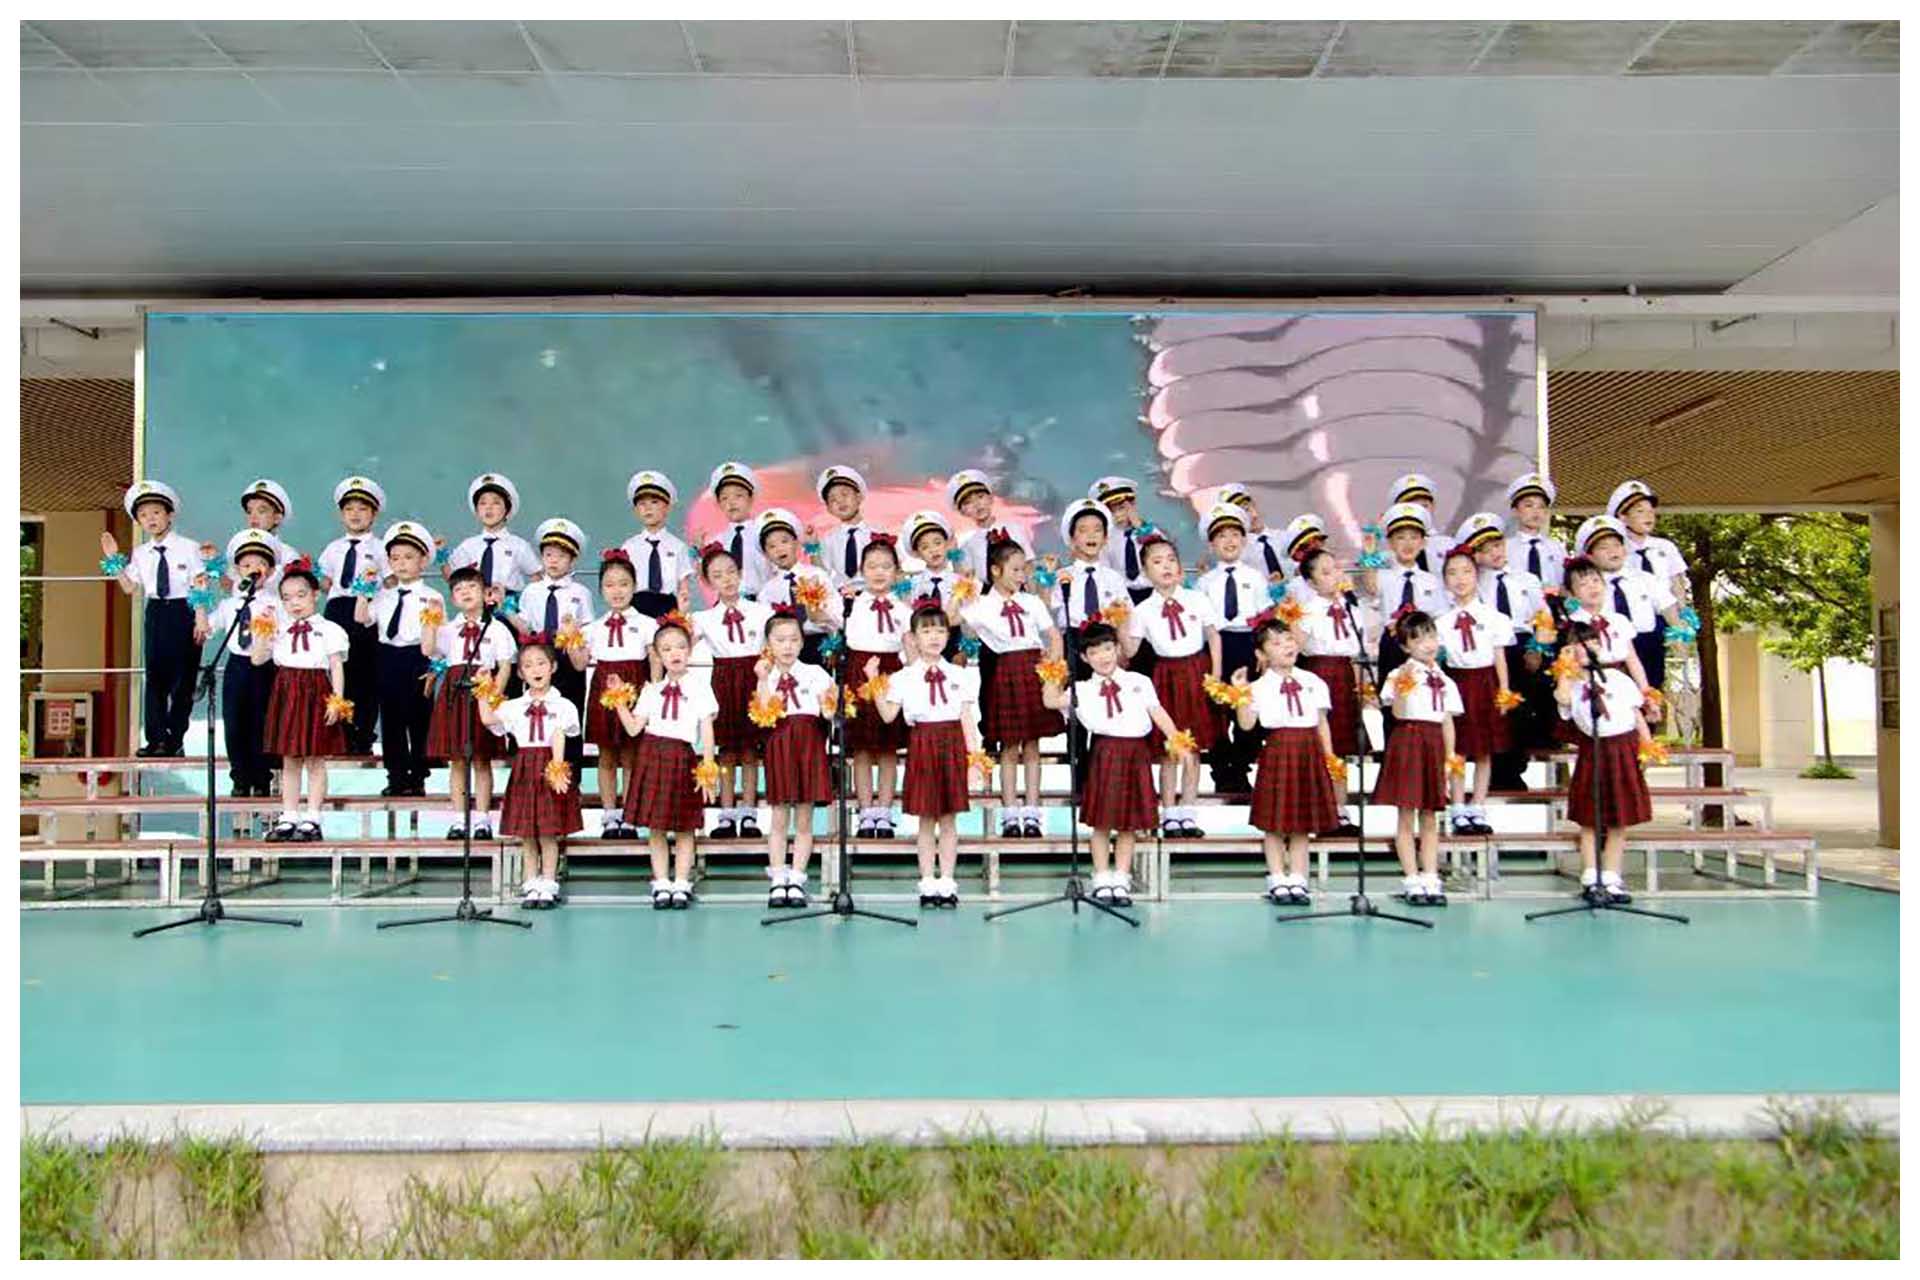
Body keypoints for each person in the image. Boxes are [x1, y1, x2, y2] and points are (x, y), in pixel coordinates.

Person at [1040, 620, 1188, 906]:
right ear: (1085, 658)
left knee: (1128, 824)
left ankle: (1121, 879)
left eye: (1107, 649)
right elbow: (1050, 701)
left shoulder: (1139, 682)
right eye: (1094, 652)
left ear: (1118, 649)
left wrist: (1177, 741)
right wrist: (1053, 672)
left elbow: (1158, 712)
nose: (1103, 657)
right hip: (1104, 752)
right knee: (1101, 822)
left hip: (1136, 753)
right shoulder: (1081, 689)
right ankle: (1101, 878)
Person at [868, 603, 986, 908]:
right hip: (922, 742)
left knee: (949, 820)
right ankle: (927, 882)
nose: (934, 637)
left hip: (952, 743)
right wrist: (874, 680)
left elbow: (967, 719)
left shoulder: (960, 674)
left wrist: (974, 761)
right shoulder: (903, 677)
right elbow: (887, 715)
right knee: (925, 819)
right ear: (913, 638)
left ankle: (947, 881)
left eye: (940, 631)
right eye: (927, 631)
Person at [606, 614, 719, 910]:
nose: (674, 653)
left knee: (684, 826)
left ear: (690, 650)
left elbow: (707, 730)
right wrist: (618, 700)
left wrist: (708, 769)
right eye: (666, 649)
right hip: (651, 756)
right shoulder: (650, 691)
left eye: (680, 647)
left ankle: (681, 882)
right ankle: (661, 882)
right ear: (656, 655)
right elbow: (634, 729)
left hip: (682, 756)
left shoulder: (700, 687)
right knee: (655, 826)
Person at [960, 535, 1065, 839]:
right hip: (1005, 669)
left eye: (1024, 570)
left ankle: (1032, 812)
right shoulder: (982, 604)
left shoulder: (1031, 601)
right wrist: (963, 591)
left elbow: (1053, 635)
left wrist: (1053, 668)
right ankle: (1009, 814)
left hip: (1034, 668)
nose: (1022, 576)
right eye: (1016, 570)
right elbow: (959, 622)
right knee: (1009, 745)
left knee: (1032, 745)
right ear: (995, 570)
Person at [1120, 533, 1220, 837]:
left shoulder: (1197, 599)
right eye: (1157, 561)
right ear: (1145, 571)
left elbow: (1213, 635)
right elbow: (1131, 651)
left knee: (1193, 746)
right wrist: (1120, 623)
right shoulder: (1142, 610)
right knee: (1168, 748)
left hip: (1196, 671)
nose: (1166, 566)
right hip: (1166, 675)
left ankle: (1188, 813)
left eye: (1171, 560)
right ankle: (1169, 814)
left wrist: (1215, 674)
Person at [1237, 615, 1341, 906]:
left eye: (1289, 640)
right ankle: (1277, 878)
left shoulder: (1313, 681)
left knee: (1301, 821)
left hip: (1308, 749)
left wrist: (1329, 756)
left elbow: (1321, 722)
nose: (1286, 646)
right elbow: (1246, 724)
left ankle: (1298, 877)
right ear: (1261, 654)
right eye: (1276, 643)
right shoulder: (1258, 687)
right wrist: (1241, 694)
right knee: (1274, 821)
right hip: (1279, 748)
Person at [1555, 626, 1658, 905]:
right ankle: (1591, 877)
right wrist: (1566, 667)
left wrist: (1647, 746)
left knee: (1619, 818)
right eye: (1580, 643)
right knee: (1589, 817)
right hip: (1594, 748)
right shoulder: (1572, 683)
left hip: (1623, 747)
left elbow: (1636, 714)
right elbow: (1563, 700)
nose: (1587, 647)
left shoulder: (1617, 678)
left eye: (1592, 642)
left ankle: (1612, 878)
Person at [479, 640, 583, 909]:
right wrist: (483, 690)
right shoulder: (514, 705)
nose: (535, 670)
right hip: (524, 767)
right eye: (528, 665)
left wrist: (557, 769)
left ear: (553, 667)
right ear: (520, 673)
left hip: (550, 765)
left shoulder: (564, 705)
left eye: (541, 663)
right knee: (527, 833)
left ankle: (548, 883)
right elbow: (488, 719)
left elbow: (561, 734)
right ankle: (531, 882)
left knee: (548, 831)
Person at [101, 480, 202, 757]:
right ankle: (155, 739)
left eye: (156, 512)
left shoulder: (189, 547)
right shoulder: (141, 553)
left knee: (183, 680)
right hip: (156, 611)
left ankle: (175, 738)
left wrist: (201, 618)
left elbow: (200, 584)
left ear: (170, 514)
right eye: (143, 515)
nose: (151, 519)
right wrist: (114, 559)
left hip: (185, 610)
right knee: (155, 678)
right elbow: (129, 586)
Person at [256, 557, 351, 843]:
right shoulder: (278, 628)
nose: (294, 603)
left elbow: (336, 666)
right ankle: (288, 816)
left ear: (315, 595)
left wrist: (337, 700)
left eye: (301, 595)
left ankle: (312, 817)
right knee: (290, 758)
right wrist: (262, 630)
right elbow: (257, 659)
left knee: (315, 758)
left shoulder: (330, 629)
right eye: (287, 598)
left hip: (316, 690)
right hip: (286, 690)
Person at [1373, 611, 1463, 908]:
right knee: (1405, 814)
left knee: (1429, 814)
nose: (1428, 644)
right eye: (1419, 639)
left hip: (1434, 743)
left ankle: (1431, 876)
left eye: (1431, 636)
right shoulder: (1398, 674)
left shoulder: (1445, 679)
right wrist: (1403, 685)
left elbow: (1447, 720)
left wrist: (1450, 756)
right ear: (1405, 646)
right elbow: (1398, 713)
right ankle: (1411, 878)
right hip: (1409, 739)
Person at [422, 565, 517, 840]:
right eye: (458, 589)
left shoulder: (497, 629)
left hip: (483, 691)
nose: (465, 592)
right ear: (452, 598)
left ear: (486, 594)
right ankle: (459, 819)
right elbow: (428, 649)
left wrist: (494, 695)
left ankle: (483, 819)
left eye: (472, 587)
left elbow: (505, 666)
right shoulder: (448, 628)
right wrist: (431, 619)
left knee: (481, 759)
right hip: (454, 691)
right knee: (457, 760)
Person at [574, 548, 660, 839]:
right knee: (606, 754)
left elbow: (654, 658)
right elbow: (579, 663)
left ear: (634, 586)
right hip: (603, 688)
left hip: (635, 684)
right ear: (601, 590)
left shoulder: (647, 624)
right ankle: (610, 815)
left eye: (624, 583)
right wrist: (571, 637)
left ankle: (632, 814)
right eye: (610, 585)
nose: (617, 591)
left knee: (631, 755)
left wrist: (654, 692)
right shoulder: (593, 628)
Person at [689, 542, 773, 839]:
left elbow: (773, 644)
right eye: (717, 575)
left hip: (753, 677)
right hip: (723, 680)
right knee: (726, 751)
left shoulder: (761, 611)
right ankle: (726, 814)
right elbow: (681, 645)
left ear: (740, 573)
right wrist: (682, 611)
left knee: (750, 750)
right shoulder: (703, 618)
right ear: (708, 582)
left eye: (730, 572)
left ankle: (749, 813)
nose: (726, 579)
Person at [755, 609, 835, 908]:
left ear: (802, 642)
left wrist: (831, 704)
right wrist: (763, 680)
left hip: (809, 744)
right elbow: (763, 716)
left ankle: (798, 877)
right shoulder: (766, 676)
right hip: (779, 744)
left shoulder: (816, 673)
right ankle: (778, 877)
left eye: (793, 639)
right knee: (779, 817)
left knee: (804, 817)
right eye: (780, 640)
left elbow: (829, 713)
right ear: (769, 644)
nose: (787, 646)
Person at [1463, 510, 1548, 791]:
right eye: (1486, 550)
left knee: (1521, 709)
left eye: (1498, 545)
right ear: (1476, 556)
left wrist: (1537, 648)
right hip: (1490, 649)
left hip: (1521, 646)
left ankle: (1515, 768)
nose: (1495, 553)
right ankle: (1497, 770)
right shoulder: (1474, 583)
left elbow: (1543, 617)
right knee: (1495, 710)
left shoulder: (1527, 579)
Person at [1434, 548, 1516, 837]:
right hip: (1456, 683)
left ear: (1477, 576)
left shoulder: (1494, 617)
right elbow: (1437, 661)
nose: (1460, 579)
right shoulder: (1441, 622)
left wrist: (1504, 690)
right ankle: (1457, 806)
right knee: (1456, 746)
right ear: (1445, 580)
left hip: (1486, 682)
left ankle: (1478, 805)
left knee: (1483, 749)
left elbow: (1499, 657)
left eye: (1466, 572)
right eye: (1452, 573)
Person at [359, 520, 444, 798]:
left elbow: (440, 637)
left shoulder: (431, 597)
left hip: (417, 656)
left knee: (419, 718)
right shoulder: (383, 595)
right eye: (395, 558)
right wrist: (364, 590)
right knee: (391, 718)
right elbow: (362, 617)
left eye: (408, 557)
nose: (401, 563)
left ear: (423, 561)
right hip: (387, 657)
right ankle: (395, 776)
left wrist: (434, 668)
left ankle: (418, 776)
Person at [1292, 546, 1371, 834]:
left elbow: (1358, 649)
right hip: (1318, 671)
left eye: (1336, 568)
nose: (1335, 575)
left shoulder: (1351, 608)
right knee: (1319, 743)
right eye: (1325, 572)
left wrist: (1363, 689)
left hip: (1345, 673)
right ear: (1311, 582)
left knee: (1340, 745)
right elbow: (1296, 649)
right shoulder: (1306, 610)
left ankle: (1341, 810)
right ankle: (1317, 809)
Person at [204, 530, 284, 798]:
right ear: (238, 570)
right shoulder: (230, 604)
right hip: (237, 665)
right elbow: (206, 629)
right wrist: (199, 599)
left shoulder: (276, 604)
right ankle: (239, 777)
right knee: (235, 721)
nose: (253, 570)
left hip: (266, 666)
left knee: (262, 721)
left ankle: (262, 777)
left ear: (269, 571)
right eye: (246, 565)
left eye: (260, 564)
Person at [1196, 502, 1267, 795]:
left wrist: (1262, 653)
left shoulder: (1255, 577)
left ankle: (1240, 767)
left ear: (1244, 540)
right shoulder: (1204, 582)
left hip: (1247, 644)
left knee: (1247, 708)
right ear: (1211, 544)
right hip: (1216, 646)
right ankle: (1221, 769)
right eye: (1222, 536)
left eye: (1235, 534)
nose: (1229, 541)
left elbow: (1264, 619)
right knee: (1216, 712)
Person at [842, 535, 910, 838]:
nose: (879, 572)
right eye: (872, 566)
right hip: (858, 670)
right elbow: (823, 620)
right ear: (862, 570)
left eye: (886, 566)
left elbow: (911, 645)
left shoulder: (904, 608)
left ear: (896, 571)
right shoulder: (851, 603)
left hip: (892, 671)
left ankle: (884, 812)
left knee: (887, 747)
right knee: (861, 748)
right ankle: (865, 811)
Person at [316, 475, 389, 756]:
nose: (355, 515)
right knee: (338, 671)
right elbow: (325, 582)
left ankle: (363, 735)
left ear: (374, 513)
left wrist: (370, 590)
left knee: (365, 673)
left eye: (362, 509)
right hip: (337, 610)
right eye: (349, 509)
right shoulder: (333, 548)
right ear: (341, 514)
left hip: (366, 611)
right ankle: (340, 735)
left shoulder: (381, 548)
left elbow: (391, 581)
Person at [514, 518, 595, 766]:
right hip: (539, 655)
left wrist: (574, 637)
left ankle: (571, 773)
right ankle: (537, 769)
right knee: (539, 712)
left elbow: (587, 628)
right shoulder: (532, 591)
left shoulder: (581, 593)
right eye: (548, 555)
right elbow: (525, 626)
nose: (553, 561)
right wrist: (506, 610)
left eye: (561, 556)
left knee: (569, 712)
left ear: (572, 560)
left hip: (568, 656)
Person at [1575, 514, 1684, 695]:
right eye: (1603, 548)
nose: (1613, 551)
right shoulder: (1589, 587)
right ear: (1590, 556)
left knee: (1651, 698)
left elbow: (1668, 607)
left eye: (1617, 545)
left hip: (1648, 648)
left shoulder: (1645, 579)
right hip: (1609, 655)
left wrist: (1680, 637)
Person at [1372, 502, 1448, 741]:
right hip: (1393, 643)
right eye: (1400, 538)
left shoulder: (1431, 580)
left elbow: (1441, 616)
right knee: (1392, 699)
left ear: (1423, 542)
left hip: (1424, 647)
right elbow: (1371, 585)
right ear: (1391, 543)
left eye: (1414, 537)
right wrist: (1370, 549)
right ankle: (1393, 752)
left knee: (1425, 699)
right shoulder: (1383, 575)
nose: (1408, 544)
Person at [1608, 480, 1692, 690]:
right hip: (1627, 620)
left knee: (1654, 681)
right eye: (1640, 511)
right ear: (1622, 517)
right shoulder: (1615, 549)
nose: (1649, 516)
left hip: (1661, 619)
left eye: (1651, 511)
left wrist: (1682, 623)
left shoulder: (1665, 547)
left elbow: (1677, 585)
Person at [753, 506, 843, 667]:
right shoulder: (767, 591)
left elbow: (837, 614)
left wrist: (824, 622)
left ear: (796, 543)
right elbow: (764, 629)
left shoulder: (817, 575)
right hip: (785, 649)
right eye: (771, 546)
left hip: (818, 645)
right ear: (766, 554)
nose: (779, 549)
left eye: (784, 541)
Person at [446, 473, 540, 605]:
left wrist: (526, 603)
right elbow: (453, 577)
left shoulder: (518, 545)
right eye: (482, 503)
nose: (488, 508)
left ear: (507, 510)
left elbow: (536, 575)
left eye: (496, 503)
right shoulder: (468, 546)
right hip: (476, 606)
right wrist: (441, 557)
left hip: (508, 607)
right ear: (477, 511)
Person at [619, 470, 695, 618]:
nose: (648, 508)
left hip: (669, 607)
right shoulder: (629, 547)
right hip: (636, 606)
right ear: (636, 510)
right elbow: (622, 582)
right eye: (642, 504)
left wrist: (682, 613)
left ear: (667, 507)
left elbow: (683, 585)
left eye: (654, 502)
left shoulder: (678, 546)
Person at [948, 469, 1034, 582]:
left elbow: (1029, 565)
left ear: (991, 498)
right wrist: (954, 555)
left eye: (980, 497)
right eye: (968, 502)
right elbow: (965, 579)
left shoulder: (1015, 529)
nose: (977, 504)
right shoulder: (968, 545)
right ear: (962, 511)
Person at [707, 461, 769, 600]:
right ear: (719, 504)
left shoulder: (765, 535)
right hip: (727, 606)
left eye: (738, 496)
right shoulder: (716, 543)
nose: (731, 502)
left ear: (751, 498)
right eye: (724, 498)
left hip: (762, 604)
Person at [1089, 475, 1153, 602]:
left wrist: (1140, 527)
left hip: (1153, 591)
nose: (1118, 514)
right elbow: (1104, 571)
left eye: (1122, 508)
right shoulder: (1105, 539)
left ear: (1133, 505)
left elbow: (1160, 552)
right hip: (1122, 595)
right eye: (1111, 511)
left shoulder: (1150, 530)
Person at [1504, 472, 1566, 592]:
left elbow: (1567, 586)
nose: (1536, 511)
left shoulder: (1557, 548)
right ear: (1515, 511)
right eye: (1529, 505)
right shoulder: (1505, 549)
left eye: (1541, 507)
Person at [817, 464, 875, 591]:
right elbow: (821, 575)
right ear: (829, 509)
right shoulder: (828, 540)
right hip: (841, 596)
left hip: (873, 594)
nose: (840, 501)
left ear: (859, 497)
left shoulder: (878, 533)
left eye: (844, 494)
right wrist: (812, 547)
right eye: (833, 500)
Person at [235, 478, 301, 590]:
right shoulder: (238, 551)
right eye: (249, 511)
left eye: (261, 511)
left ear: (277, 518)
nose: (253, 517)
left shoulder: (287, 555)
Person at [1387, 473, 1455, 572]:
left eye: (1424, 506)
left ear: (1433, 506)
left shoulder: (1449, 545)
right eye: (1412, 507)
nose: (1420, 512)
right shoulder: (1389, 551)